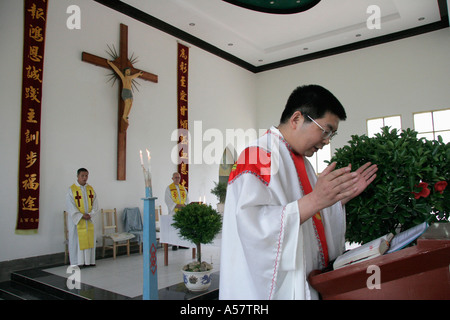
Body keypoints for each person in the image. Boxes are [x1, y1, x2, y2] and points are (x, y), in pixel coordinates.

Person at [219, 85, 378, 300]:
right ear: (296, 119)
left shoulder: (302, 161)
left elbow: (312, 217)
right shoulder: (257, 155)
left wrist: (337, 199)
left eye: (332, 134)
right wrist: (316, 199)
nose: (327, 140)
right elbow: (252, 228)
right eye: (325, 130)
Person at [65, 168, 99, 267]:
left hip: (89, 220)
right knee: (76, 241)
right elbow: (70, 206)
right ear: (77, 176)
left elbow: (95, 204)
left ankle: (89, 261)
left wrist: (91, 214)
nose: (85, 178)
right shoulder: (71, 189)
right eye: (82, 176)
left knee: (89, 240)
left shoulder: (91, 189)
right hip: (78, 221)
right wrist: (80, 215)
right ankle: (77, 262)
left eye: (86, 176)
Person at [107, 60, 143, 130]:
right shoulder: (124, 78)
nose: (128, 72)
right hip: (125, 91)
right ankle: (124, 116)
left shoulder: (130, 77)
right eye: (127, 71)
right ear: (125, 72)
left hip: (129, 92)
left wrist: (138, 74)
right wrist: (110, 63)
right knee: (127, 103)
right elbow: (117, 70)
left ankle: (126, 116)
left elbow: (134, 75)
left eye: (129, 71)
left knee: (130, 103)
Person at [165, 172, 190, 250]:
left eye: (178, 177)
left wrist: (184, 205)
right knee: (174, 228)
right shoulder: (169, 188)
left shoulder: (183, 188)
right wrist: (177, 205)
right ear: (172, 178)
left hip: (182, 212)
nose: (177, 179)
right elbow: (167, 200)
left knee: (182, 228)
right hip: (174, 212)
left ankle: (182, 244)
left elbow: (187, 199)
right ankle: (174, 244)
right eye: (175, 177)